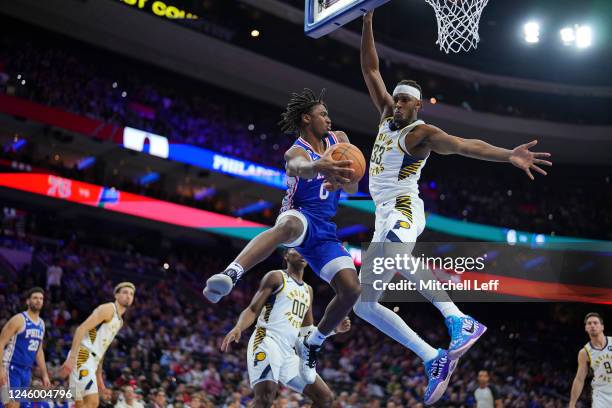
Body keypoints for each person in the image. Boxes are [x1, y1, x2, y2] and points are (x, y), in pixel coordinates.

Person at [356, 11, 552, 405]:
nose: (398, 105)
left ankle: (458, 319)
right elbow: (371, 67)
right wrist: (367, 19)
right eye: (396, 99)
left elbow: (465, 145)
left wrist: (507, 155)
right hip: (383, 213)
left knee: (399, 256)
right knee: (364, 304)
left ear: (418, 107)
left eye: (406, 101)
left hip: (404, 207)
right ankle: (432, 357)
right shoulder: (385, 116)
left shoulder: (422, 134)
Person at [205, 89, 361, 380]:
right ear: (306, 118)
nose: (328, 119)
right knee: (286, 227)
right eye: (322, 114)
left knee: (352, 290)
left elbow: (352, 188)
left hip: (326, 230)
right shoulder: (297, 150)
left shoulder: (339, 139)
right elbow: (296, 167)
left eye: (327, 114)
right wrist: (319, 165)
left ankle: (313, 343)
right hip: (300, 214)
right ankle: (231, 273)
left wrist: (345, 176)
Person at [221, 248, 351, 407]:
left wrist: (333, 330)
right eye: (297, 250)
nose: (303, 253)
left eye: (305, 250)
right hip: (267, 340)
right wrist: (238, 327)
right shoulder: (276, 276)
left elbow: (307, 332)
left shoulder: (308, 290)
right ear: (286, 256)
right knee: (265, 397)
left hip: (289, 352)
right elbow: (253, 309)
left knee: (324, 398)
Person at [60, 282, 136, 407]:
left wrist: (99, 377)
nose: (128, 296)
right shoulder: (108, 309)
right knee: (92, 402)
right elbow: (81, 329)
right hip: (82, 356)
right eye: (125, 292)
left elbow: (102, 349)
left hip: (92, 361)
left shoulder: (119, 321)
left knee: (80, 404)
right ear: (116, 295)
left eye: (131, 294)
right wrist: (72, 358)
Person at [0, 287, 50, 408]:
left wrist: (45, 374)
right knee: (11, 405)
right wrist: (0, 368)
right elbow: (1, 343)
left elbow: (39, 352)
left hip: (27, 371)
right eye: (35, 298)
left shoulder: (42, 324)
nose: (38, 301)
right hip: (11, 367)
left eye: (41, 298)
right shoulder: (18, 319)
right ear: (28, 301)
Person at [570, 312, 612, 408]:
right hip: (601, 395)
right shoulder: (584, 352)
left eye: (595, 323)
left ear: (602, 327)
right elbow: (579, 379)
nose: (592, 325)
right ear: (586, 328)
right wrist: (572, 403)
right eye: (589, 323)